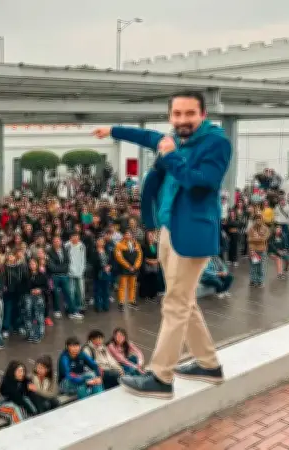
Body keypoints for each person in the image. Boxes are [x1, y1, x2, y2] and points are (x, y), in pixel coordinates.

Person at [93, 91, 230, 399]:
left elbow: (200, 183)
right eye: (177, 114)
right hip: (170, 230)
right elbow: (148, 136)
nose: (182, 120)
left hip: (191, 235)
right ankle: (208, 364)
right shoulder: (175, 139)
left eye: (189, 114)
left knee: (175, 304)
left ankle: (160, 377)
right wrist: (113, 131)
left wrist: (170, 156)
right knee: (184, 301)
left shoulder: (216, 143)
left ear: (203, 114)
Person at [114, 229, 142, 310]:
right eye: (126, 234)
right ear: (124, 235)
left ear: (132, 236)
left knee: (133, 285)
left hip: (134, 269)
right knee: (122, 286)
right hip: (124, 269)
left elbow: (140, 256)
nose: (128, 236)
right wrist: (128, 266)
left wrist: (135, 266)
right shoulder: (119, 245)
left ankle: (132, 301)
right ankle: (121, 302)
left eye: (129, 234)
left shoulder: (136, 244)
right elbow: (119, 257)